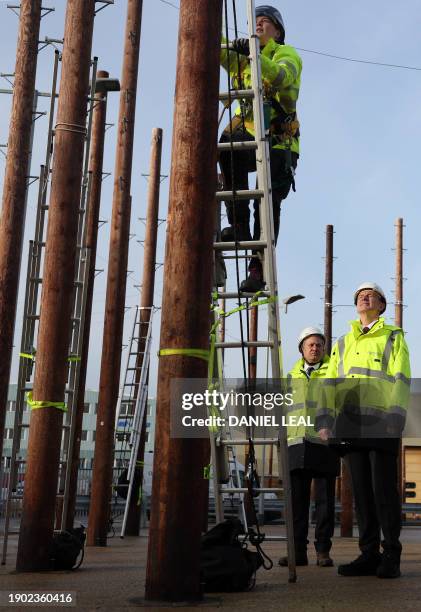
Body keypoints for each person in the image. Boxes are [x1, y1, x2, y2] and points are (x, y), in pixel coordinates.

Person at [316, 282, 411, 579]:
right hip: (350, 423)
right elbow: (329, 381)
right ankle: (368, 553)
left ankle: (391, 555)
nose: (364, 297)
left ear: (381, 305)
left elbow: (401, 375)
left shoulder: (393, 336)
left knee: (383, 490)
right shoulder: (343, 341)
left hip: (382, 420)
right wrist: (323, 419)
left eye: (371, 295)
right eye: (359, 295)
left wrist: (396, 413)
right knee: (361, 492)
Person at [219, 5, 302, 292]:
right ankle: (238, 224)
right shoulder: (242, 58)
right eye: (256, 21)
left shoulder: (286, 54)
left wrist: (253, 54)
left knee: (265, 202)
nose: (259, 25)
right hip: (252, 133)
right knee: (226, 149)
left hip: (280, 142)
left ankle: (258, 269)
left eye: (266, 22)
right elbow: (214, 49)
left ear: (277, 32)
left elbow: (282, 78)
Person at [278, 327, 339, 567]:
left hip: (324, 445)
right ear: (302, 348)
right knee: (297, 504)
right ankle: (298, 553)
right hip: (295, 444)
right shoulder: (290, 377)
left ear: (324, 349)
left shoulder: (333, 373)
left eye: (319, 345)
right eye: (310, 345)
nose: (315, 348)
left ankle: (323, 551)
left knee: (324, 503)